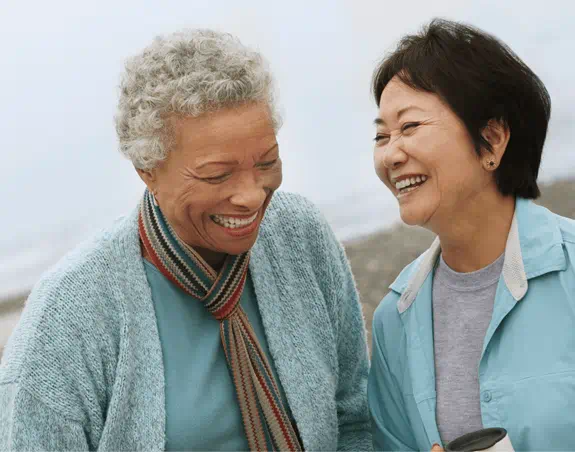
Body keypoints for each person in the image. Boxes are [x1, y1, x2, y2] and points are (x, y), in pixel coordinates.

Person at [0, 29, 372, 451]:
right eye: (217, 175)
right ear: (148, 170)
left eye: (267, 162)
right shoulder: (68, 318)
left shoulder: (300, 236)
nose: (251, 195)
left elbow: (355, 420)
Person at [367, 18, 575, 451]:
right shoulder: (395, 319)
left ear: (492, 139)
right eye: (381, 135)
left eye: (409, 127)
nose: (391, 153)